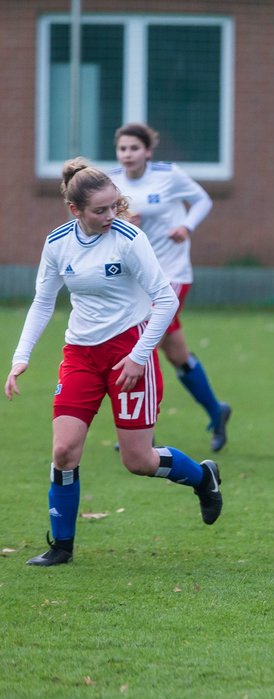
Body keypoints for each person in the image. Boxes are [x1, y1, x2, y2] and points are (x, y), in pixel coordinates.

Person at [5, 158, 223, 567]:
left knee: (137, 461)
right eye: (100, 210)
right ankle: (62, 546)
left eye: (114, 206)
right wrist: (21, 358)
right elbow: (43, 302)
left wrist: (140, 357)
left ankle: (202, 476)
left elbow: (166, 300)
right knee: (64, 451)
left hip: (129, 352)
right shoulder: (57, 244)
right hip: (80, 356)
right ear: (75, 211)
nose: (111, 215)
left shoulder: (128, 238)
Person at [110, 122, 232, 453]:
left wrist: (186, 226)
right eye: (122, 148)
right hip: (138, 279)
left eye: (134, 148)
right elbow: (104, 227)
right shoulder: (111, 183)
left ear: (147, 151)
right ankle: (216, 412)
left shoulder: (168, 175)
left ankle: (141, 432)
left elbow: (203, 200)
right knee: (176, 354)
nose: (128, 154)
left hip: (172, 275)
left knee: (140, 347)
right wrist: (122, 224)